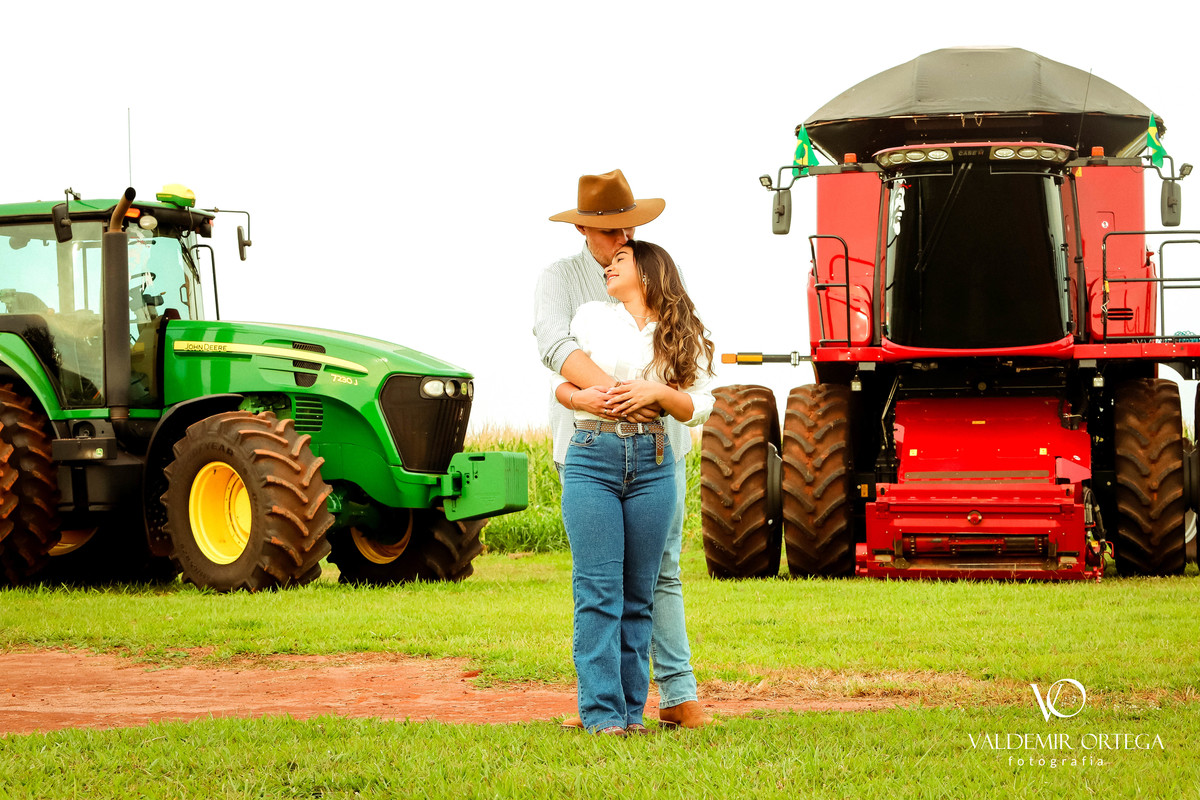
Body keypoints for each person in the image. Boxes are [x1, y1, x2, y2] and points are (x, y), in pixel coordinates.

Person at [533, 170, 714, 730]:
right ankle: (604, 709)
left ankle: (672, 694)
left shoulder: (654, 275)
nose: (624, 237)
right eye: (613, 229)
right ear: (585, 229)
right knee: (601, 582)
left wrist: (653, 398)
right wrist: (619, 398)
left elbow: (692, 382)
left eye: (629, 227)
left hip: (661, 448)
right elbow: (555, 347)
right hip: (590, 441)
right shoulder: (566, 284)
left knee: (658, 573)